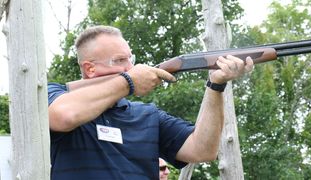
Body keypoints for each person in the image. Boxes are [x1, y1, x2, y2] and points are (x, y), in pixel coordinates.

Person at [48, 25, 254, 180]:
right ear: (89, 69)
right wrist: (129, 81)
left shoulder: (148, 115)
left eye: (131, 59)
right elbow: (63, 116)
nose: (131, 66)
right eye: (120, 61)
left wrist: (216, 85)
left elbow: (203, 150)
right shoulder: (57, 94)